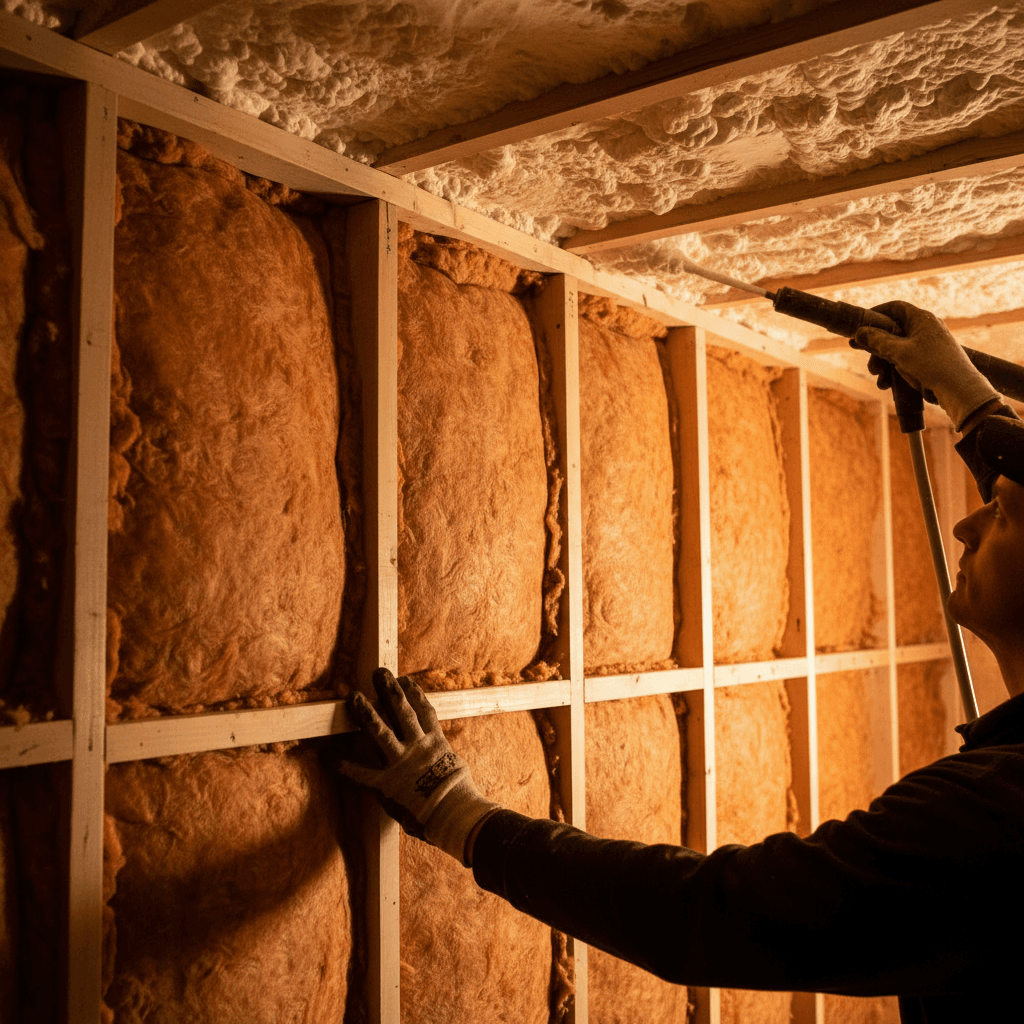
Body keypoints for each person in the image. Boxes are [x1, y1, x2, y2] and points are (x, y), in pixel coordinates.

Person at [336, 301, 1024, 1024]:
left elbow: (714, 914)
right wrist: (965, 395)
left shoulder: (987, 819)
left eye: (1003, 513)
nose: (965, 523)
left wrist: (458, 817)